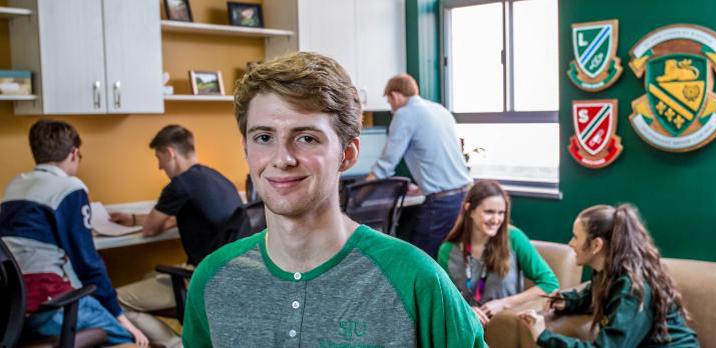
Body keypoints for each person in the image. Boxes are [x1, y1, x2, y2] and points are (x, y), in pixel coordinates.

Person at [181, 52, 485, 347]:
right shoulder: (212, 279)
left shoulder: (416, 279)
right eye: (263, 137)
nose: (281, 158)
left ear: (347, 154)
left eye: (307, 138)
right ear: (246, 150)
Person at [0, 120, 147, 345]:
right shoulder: (70, 188)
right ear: (74, 153)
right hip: (49, 304)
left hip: (13, 309)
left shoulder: (14, 186)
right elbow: (87, 262)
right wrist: (121, 318)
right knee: (131, 339)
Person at [110, 125, 244, 348]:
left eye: (159, 158)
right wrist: (132, 218)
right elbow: (170, 220)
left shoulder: (179, 185)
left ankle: (175, 344)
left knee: (115, 301)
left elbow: (151, 229)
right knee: (147, 277)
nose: (159, 166)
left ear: (170, 153)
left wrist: (143, 222)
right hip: (226, 275)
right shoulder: (215, 178)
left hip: (198, 278)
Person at [517, 204, 700, 347]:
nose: (570, 243)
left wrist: (543, 335)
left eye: (576, 237)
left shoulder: (631, 288)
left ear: (596, 245)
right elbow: (591, 296)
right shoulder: (608, 272)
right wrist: (566, 302)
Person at [366, 74, 473, 257]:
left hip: (442, 202)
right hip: (464, 195)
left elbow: (386, 164)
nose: (390, 108)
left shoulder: (404, 114)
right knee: (446, 257)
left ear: (396, 95)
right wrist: (424, 187)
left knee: (417, 258)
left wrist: (360, 191)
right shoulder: (439, 110)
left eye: (389, 101)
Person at [437, 180, 559, 326]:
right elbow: (442, 298)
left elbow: (549, 284)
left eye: (501, 213)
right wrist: (466, 310)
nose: (496, 220)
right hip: (465, 328)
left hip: (506, 327)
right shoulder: (447, 250)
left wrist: (504, 303)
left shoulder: (514, 238)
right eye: (489, 212)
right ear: (469, 210)